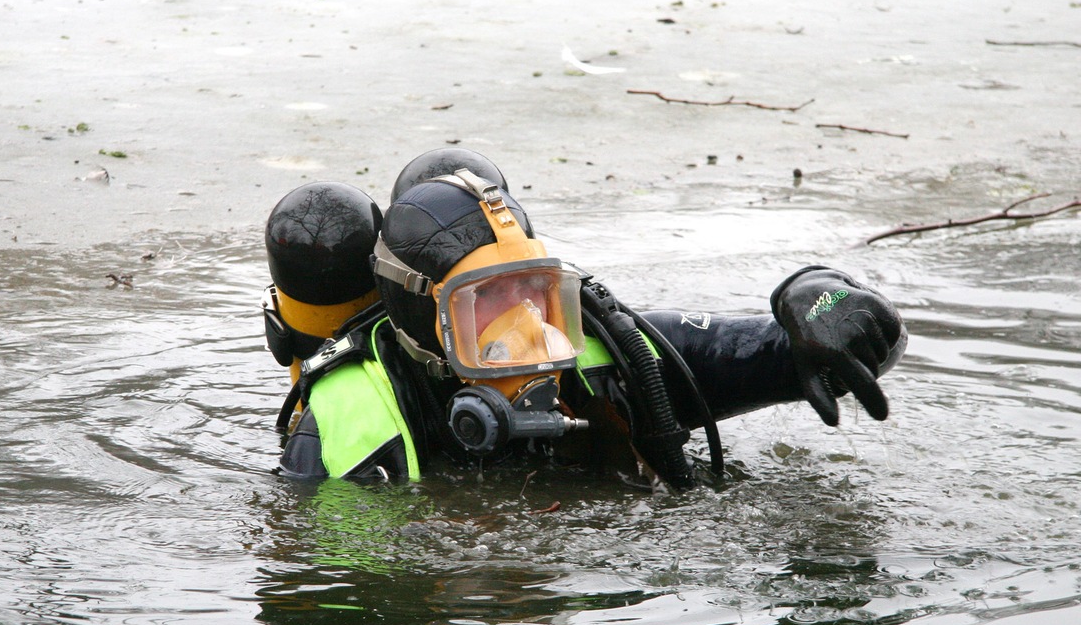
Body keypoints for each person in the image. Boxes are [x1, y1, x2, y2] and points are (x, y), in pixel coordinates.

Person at [262, 149, 906, 489]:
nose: (526, 329)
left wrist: (822, 296)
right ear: (429, 317)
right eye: (489, 308)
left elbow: (817, 353)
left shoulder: (609, 358)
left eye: (536, 296)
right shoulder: (344, 434)